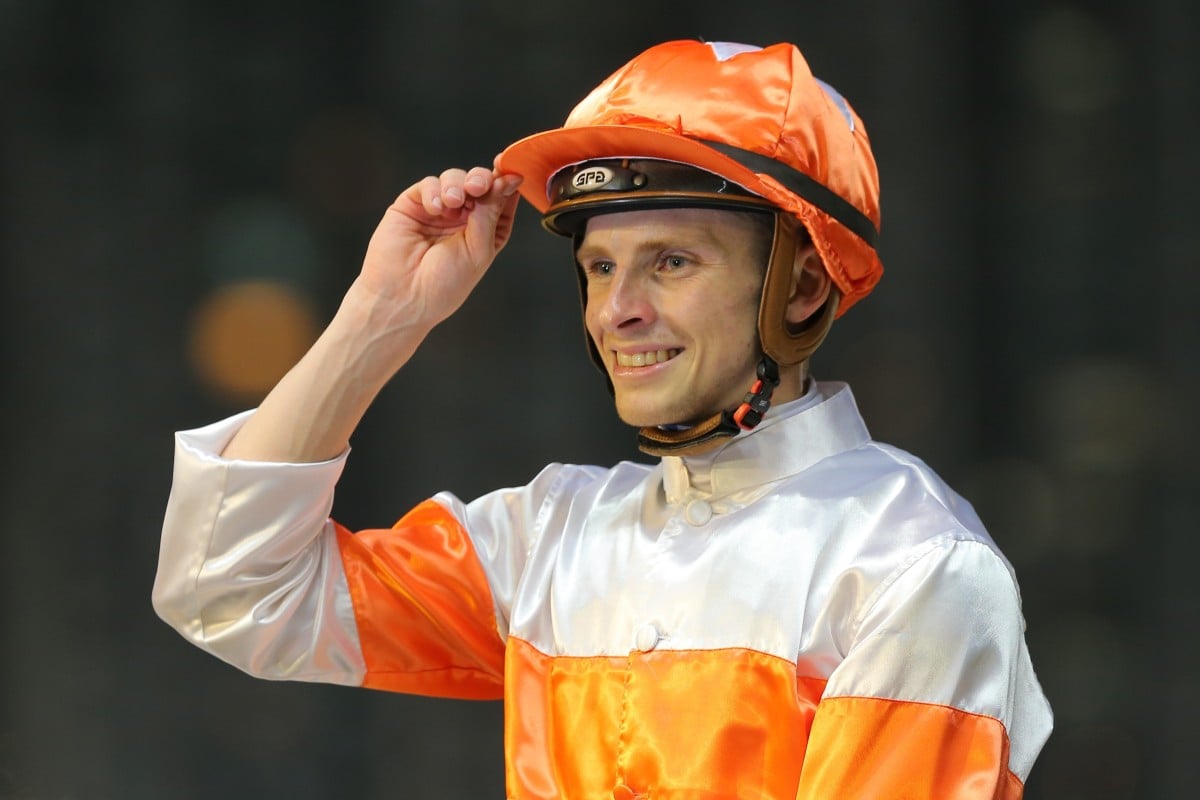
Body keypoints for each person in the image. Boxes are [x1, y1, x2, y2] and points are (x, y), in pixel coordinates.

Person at [153, 39, 1052, 798]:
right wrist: (382, 315)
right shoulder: (546, 536)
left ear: (804, 285)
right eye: (598, 268)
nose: (617, 310)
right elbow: (231, 591)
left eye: (670, 264)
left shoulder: (916, 571)